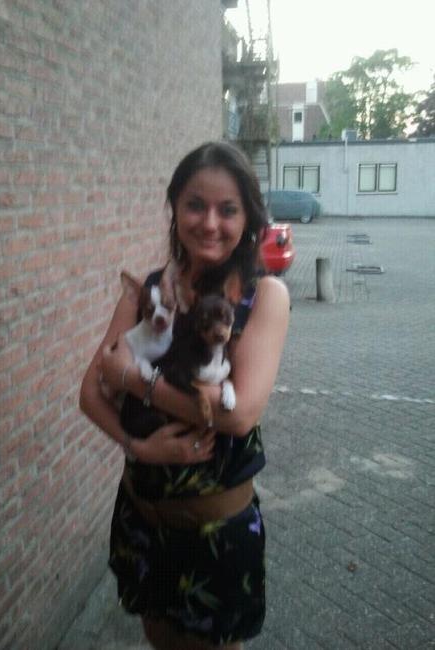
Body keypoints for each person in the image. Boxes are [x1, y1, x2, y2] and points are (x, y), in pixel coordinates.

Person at [79, 141, 290, 650]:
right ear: (175, 208)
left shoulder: (264, 296)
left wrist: (137, 381)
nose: (210, 223)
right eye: (195, 205)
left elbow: (237, 416)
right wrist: (139, 446)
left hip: (215, 534)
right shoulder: (149, 291)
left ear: (248, 217)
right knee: (158, 639)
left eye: (228, 209)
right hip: (142, 518)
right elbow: (90, 392)